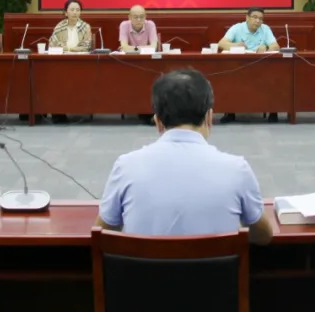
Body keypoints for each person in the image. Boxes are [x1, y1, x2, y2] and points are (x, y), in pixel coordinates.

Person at [96, 69, 273, 245]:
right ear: (209, 117)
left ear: (158, 121)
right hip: (213, 265)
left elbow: (101, 233)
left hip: (144, 264)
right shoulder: (237, 170)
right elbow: (264, 236)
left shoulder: (126, 167)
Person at [218, 7, 280, 123]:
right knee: (229, 78)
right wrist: (236, 45)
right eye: (255, 17)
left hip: (261, 67)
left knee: (274, 76)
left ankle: (273, 111)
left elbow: (276, 46)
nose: (258, 21)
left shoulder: (265, 29)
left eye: (261, 19)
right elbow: (221, 43)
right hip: (238, 67)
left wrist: (266, 47)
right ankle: (230, 112)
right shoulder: (237, 28)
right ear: (247, 17)